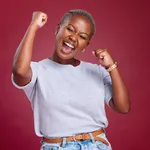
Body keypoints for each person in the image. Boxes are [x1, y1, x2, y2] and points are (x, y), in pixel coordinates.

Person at [11, 9, 130, 150]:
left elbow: (123, 107)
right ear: (58, 29)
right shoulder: (38, 71)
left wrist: (111, 66)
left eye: (82, 36)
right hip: (57, 146)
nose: (73, 38)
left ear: (85, 46)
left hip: (97, 144)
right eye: (70, 29)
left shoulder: (97, 71)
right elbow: (19, 71)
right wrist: (33, 26)